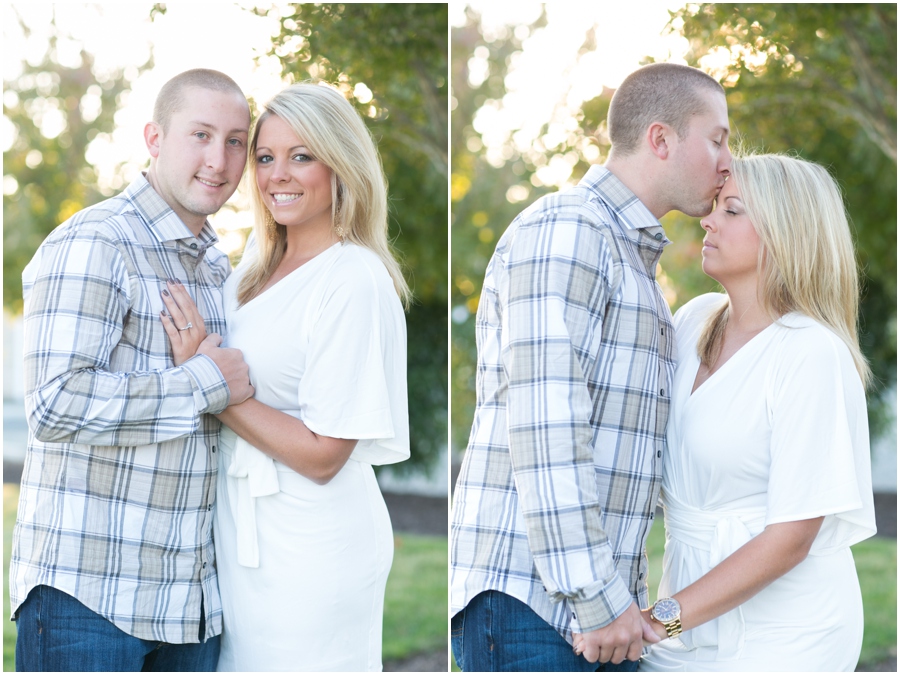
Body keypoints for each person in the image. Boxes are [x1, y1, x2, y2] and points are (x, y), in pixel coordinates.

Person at [450, 62, 732, 672]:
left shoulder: (632, 262)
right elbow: (546, 428)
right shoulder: (570, 230)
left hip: (592, 615)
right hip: (536, 606)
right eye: (717, 138)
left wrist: (617, 606)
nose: (726, 161)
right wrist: (598, 600)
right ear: (661, 139)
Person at [159, 82, 410, 672]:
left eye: (302, 156)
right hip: (245, 539)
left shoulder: (352, 277)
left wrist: (210, 385)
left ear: (340, 164)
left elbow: (326, 453)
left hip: (313, 544)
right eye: (265, 158)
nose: (278, 175)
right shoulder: (252, 268)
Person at [11, 69, 254, 672]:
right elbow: (53, 404)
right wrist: (203, 382)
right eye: (200, 134)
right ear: (154, 138)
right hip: (89, 603)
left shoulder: (218, 268)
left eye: (234, 141)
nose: (218, 160)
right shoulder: (96, 241)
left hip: (188, 610)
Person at [636, 153, 876, 672]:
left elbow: (790, 539)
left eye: (733, 210)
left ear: (786, 233)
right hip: (687, 619)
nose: (707, 219)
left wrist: (660, 621)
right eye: (716, 207)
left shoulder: (810, 353)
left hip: (788, 632)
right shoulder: (691, 320)